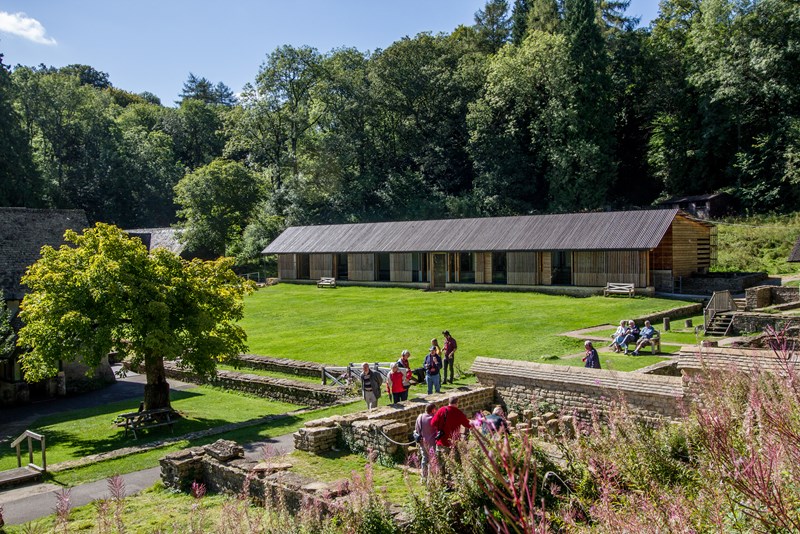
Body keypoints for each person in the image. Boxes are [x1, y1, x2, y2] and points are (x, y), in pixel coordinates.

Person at [414, 402, 437, 479]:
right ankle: (431, 478)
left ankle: (423, 477)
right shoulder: (434, 418)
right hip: (432, 443)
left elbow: (417, 429)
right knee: (432, 460)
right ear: (433, 410)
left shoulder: (420, 417)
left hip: (422, 442)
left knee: (424, 459)